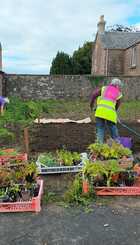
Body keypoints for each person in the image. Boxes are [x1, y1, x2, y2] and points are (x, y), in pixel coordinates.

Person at [90, 78, 123, 144]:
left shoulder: (104, 88)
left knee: (100, 128)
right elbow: (117, 105)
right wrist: (114, 112)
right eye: (119, 86)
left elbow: (94, 95)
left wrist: (91, 105)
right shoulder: (118, 93)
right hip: (110, 114)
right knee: (112, 128)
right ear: (117, 85)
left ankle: (99, 146)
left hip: (99, 112)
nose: (119, 88)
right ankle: (117, 144)